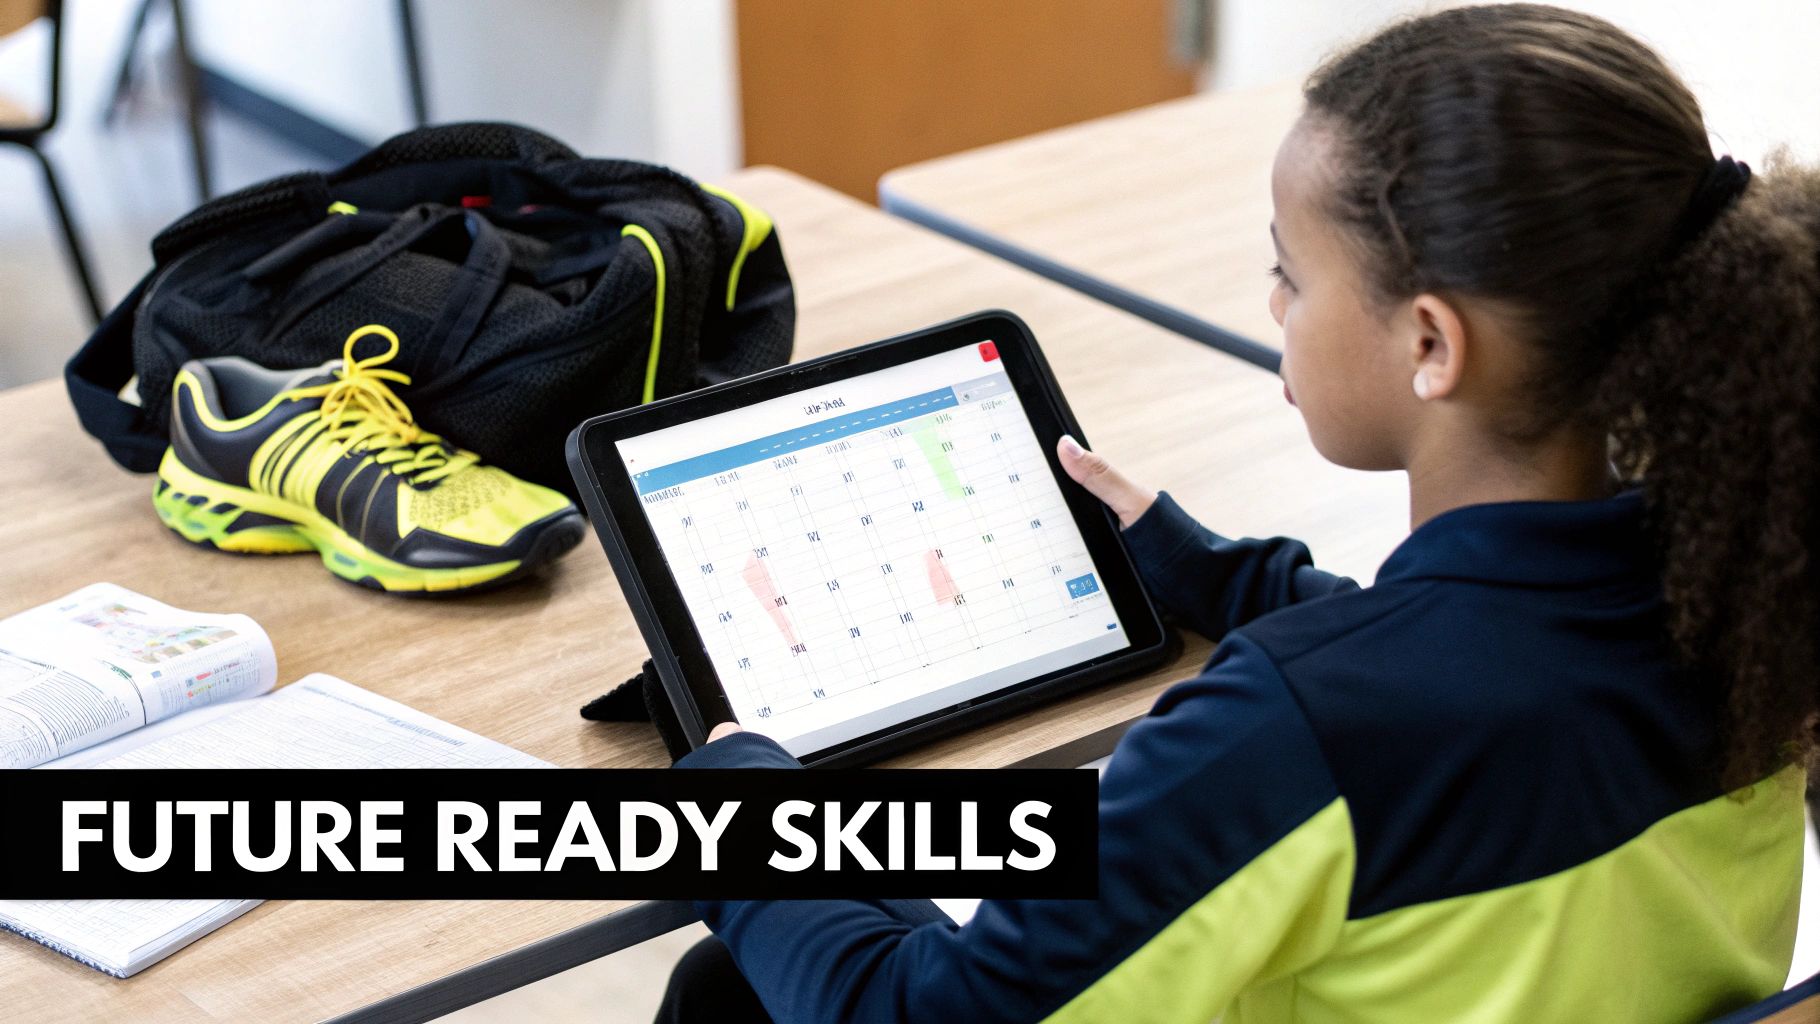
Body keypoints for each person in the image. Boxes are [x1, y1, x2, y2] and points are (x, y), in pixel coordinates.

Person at [654, 5, 1820, 1021]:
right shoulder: (1740, 592)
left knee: (744, 976)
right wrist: (1213, 572)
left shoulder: (1289, 733)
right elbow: (1461, 676)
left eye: (1291, 276)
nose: (1272, 304)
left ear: (1428, 341)